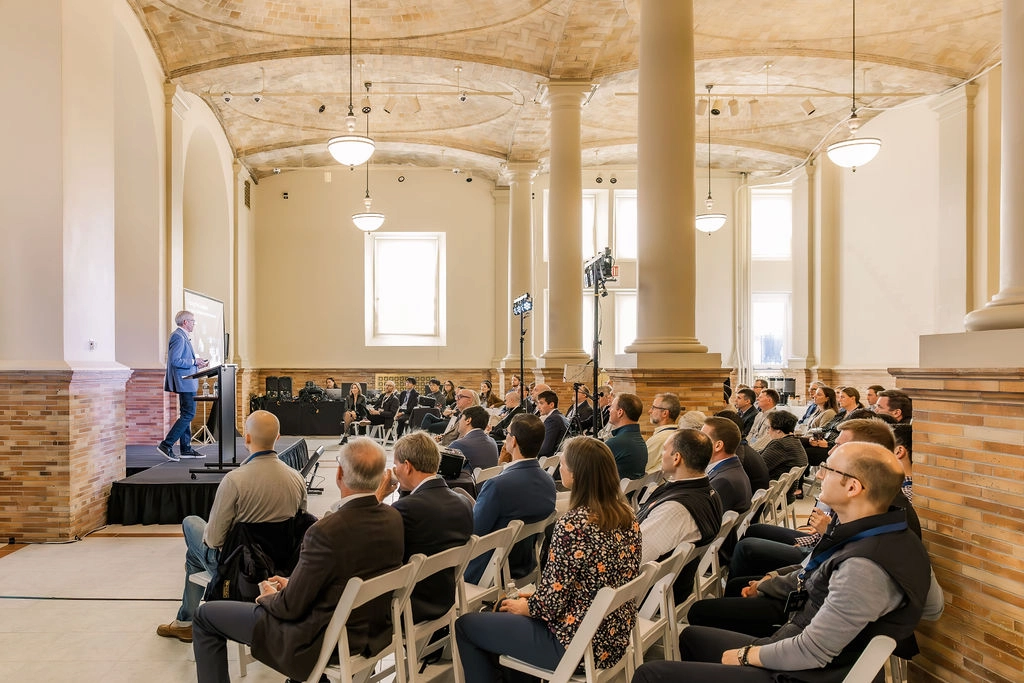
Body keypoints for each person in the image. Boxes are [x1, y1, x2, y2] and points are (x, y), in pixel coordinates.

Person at [634, 442, 940, 683]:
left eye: (828, 469)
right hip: (799, 646)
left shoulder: (865, 566)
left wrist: (746, 656)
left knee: (651, 674)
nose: (818, 475)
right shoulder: (895, 534)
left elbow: (812, 650)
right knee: (691, 636)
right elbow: (932, 606)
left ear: (853, 487)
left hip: (804, 674)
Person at [191, 437, 404, 683]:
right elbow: (342, 576)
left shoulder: (326, 530)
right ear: (381, 477)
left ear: (339, 474)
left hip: (316, 637)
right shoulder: (393, 518)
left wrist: (267, 597)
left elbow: (290, 607)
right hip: (370, 630)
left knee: (205, 616)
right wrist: (292, 581)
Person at [455, 436, 642, 680]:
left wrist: (527, 605)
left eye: (563, 464)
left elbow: (549, 606)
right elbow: (590, 583)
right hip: (612, 636)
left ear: (575, 475)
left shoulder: (574, 525)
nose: (560, 469)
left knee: (467, 626)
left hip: (575, 643)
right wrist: (534, 598)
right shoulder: (627, 517)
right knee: (507, 617)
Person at [157, 410, 307, 644]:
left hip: (241, 569)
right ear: (278, 438)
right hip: (281, 566)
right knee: (194, 556)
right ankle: (184, 622)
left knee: (191, 524)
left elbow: (215, 540)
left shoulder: (235, 480)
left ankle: (185, 622)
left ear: (246, 438)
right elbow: (301, 526)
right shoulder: (296, 478)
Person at [375, 431, 474, 622]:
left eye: (396, 465)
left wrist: (378, 497)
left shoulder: (405, 510)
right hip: (444, 599)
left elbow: (371, 543)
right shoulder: (463, 502)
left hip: (407, 606)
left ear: (407, 466)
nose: (394, 470)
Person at [464, 413, 557, 583]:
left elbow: (474, 532)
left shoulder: (498, 485)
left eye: (507, 434)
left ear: (513, 441)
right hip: (526, 564)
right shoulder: (548, 481)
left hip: (491, 570)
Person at [159, 310, 210, 461]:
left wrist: (198, 364)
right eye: (193, 321)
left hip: (188, 380)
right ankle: (166, 445)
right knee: (189, 414)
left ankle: (186, 448)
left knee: (186, 414)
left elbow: (183, 360)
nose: (194, 324)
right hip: (185, 382)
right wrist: (194, 362)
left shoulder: (182, 336)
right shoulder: (178, 336)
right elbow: (175, 361)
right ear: (185, 322)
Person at [700, 417, 752, 514]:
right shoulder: (732, 468)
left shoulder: (723, 481)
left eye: (703, 438)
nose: (697, 443)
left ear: (718, 446)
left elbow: (704, 517)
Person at [605, 393, 647, 480]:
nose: (609, 409)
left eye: (612, 407)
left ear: (620, 412)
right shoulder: (638, 439)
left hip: (613, 492)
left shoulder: (616, 443)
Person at [449, 405, 499, 473]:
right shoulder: (492, 442)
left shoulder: (459, 445)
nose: (459, 422)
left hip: (467, 482)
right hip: (486, 481)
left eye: (461, 418)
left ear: (468, 420)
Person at [645, 392, 681, 473]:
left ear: (665, 413)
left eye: (653, 407)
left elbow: (640, 466)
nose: (650, 411)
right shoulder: (677, 433)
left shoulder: (660, 439)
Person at [536, 389, 569, 459]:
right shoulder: (560, 416)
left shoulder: (552, 419)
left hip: (550, 461)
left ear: (551, 404)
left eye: (541, 403)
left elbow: (545, 449)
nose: (538, 407)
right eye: (538, 403)